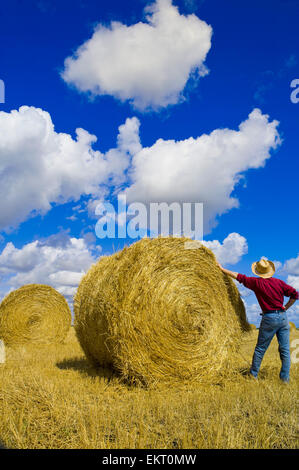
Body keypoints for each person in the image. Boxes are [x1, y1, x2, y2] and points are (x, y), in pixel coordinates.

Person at [216, 258, 298, 383]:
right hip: (283, 318)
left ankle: (253, 376)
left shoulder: (256, 283)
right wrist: (286, 307)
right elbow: (295, 294)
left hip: (269, 318)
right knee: (285, 350)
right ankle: (285, 379)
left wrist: (222, 269)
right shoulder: (279, 282)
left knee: (260, 349)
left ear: (258, 272)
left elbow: (239, 276)